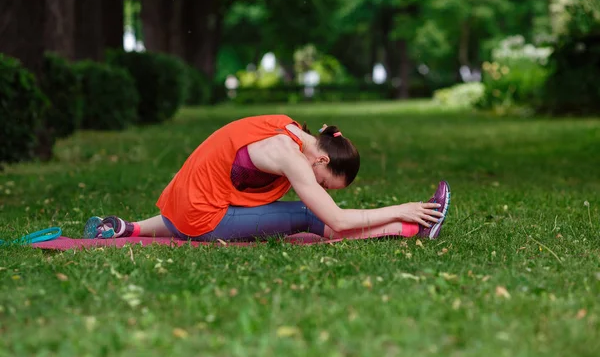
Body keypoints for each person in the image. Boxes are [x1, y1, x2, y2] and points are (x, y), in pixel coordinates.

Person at [84, 114, 450, 242]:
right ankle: (411, 228)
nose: (319, 188)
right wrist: (399, 209)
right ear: (322, 158)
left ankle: (124, 228)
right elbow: (335, 218)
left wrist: (133, 229)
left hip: (187, 203)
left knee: (310, 210)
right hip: (203, 215)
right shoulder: (288, 156)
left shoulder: (288, 129)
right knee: (311, 216)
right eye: (324, 183)